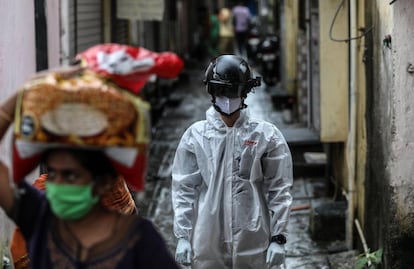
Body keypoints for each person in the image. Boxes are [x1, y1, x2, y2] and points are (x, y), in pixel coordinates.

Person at [0, 77, 179, 269]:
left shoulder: (140, 240)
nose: (57, 184)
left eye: (70, 176)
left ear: (103, 182)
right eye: (52, 173)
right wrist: (29, 89)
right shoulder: (40, 214)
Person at [171, 55, 293, 268]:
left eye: (233, 91)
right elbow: (184, 188)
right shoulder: (196, 136)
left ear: (245, 92)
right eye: (221, 91)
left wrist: (278, 237)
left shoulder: (266, 136)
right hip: (207, 239)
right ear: (211, 92)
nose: (227, 98)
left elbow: (280, 188)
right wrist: (182, 235)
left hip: (254, 237)